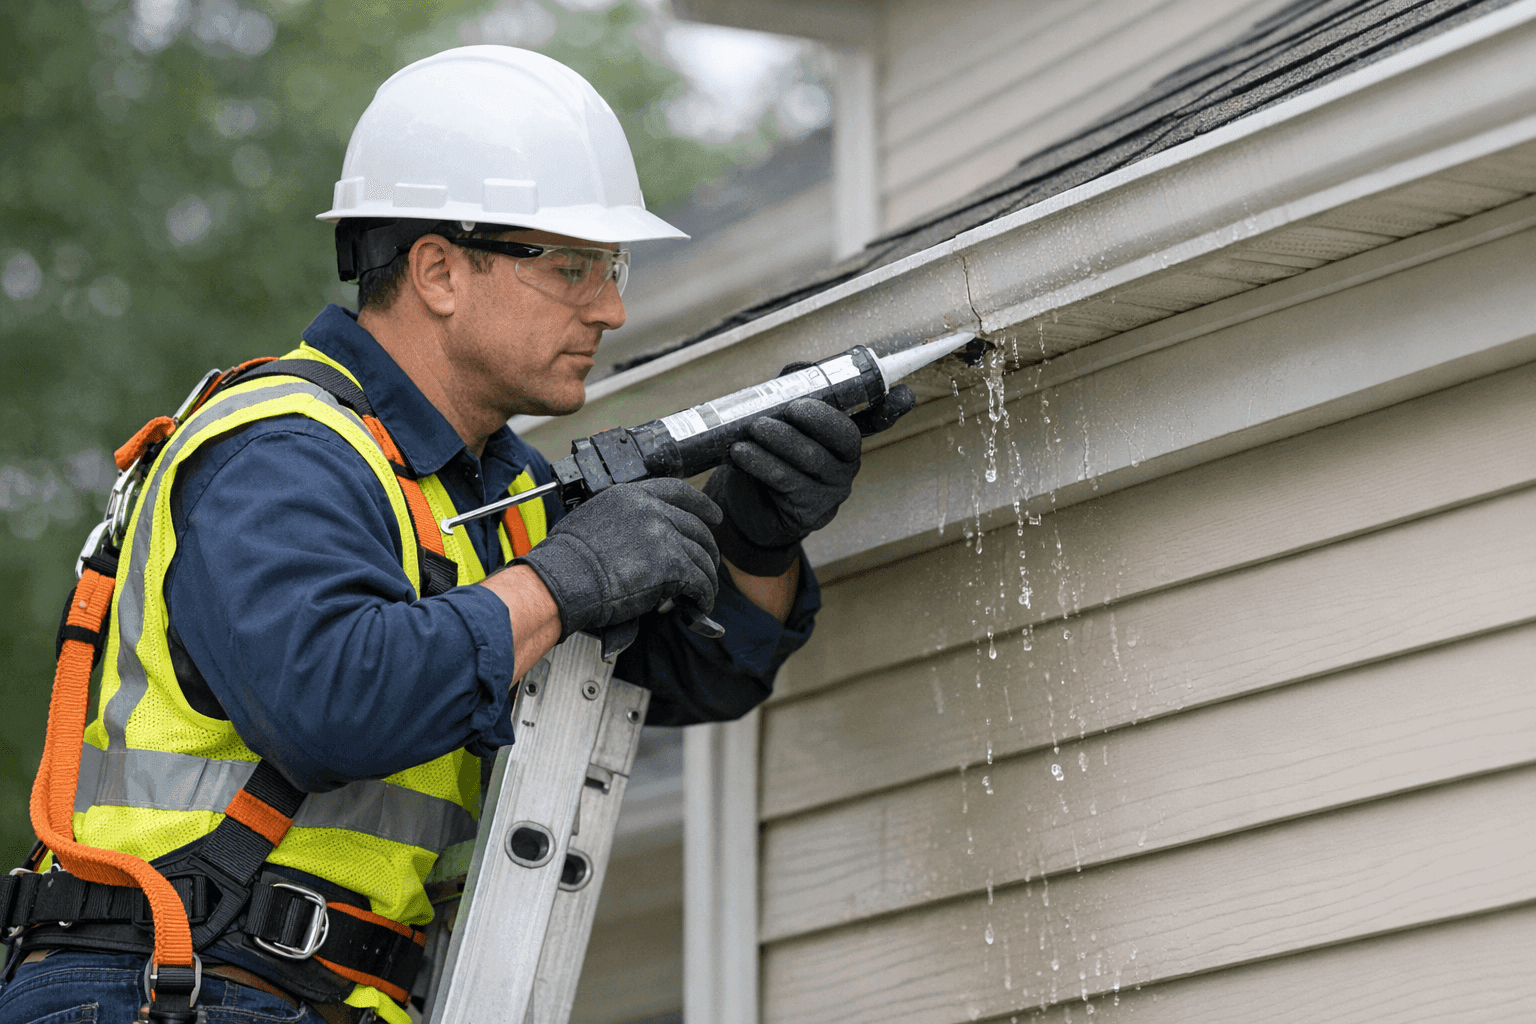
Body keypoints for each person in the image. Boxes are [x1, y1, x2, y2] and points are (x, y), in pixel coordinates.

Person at [0, 46, 913, 1024]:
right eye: (571, 266)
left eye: (611, 267)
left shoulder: (502, 495)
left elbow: (690, 678)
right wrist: (561, 584)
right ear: (437, 268)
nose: (609, 306)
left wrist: (758, 543)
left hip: (314, 996)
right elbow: (328, 700)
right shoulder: (282, 451)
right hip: (169, 983)